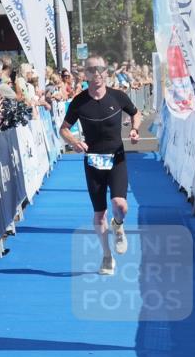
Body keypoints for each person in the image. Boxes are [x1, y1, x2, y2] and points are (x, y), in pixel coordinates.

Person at [59, 56, 141, 276]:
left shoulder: (118, 96)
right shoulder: (79, 101)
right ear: (85, 74)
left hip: (117, 158)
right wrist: (74, 142)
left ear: (106, 72)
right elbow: (64, 129)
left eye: (100, 69)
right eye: (91, 70)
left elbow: (136, 113)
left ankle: (119, 223)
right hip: (93, 161)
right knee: (99, 214)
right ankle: (107, 256)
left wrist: (135, 130)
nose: (96, 73)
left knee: (120, 204)